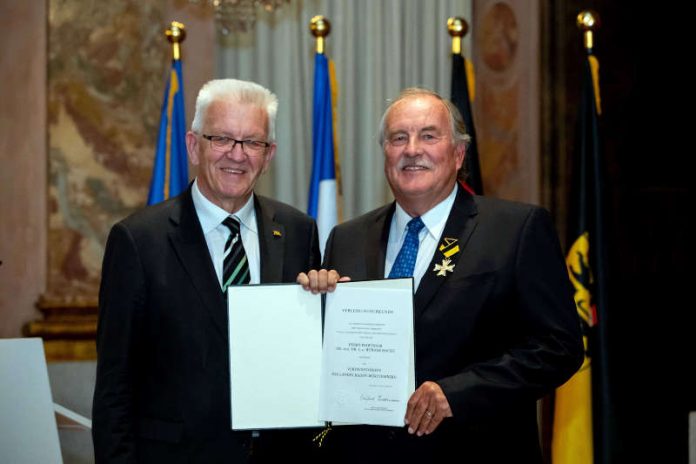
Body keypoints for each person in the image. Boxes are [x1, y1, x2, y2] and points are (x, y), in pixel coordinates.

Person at [298, 88, 583, 463]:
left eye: (428, 135)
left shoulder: (515, 229)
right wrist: (311, 305)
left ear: (458, 154)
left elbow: (558, 348)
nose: (412, 149)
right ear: (386, 154)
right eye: (399, 138)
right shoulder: (347, 237)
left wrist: (458, 393)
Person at [93, 79, 321, 463]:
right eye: (222, 139)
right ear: (193, 145)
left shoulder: (299, 232)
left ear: (269, 155)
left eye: (252, 142)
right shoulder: (137, 241)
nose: (237, 154)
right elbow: (114, 389)